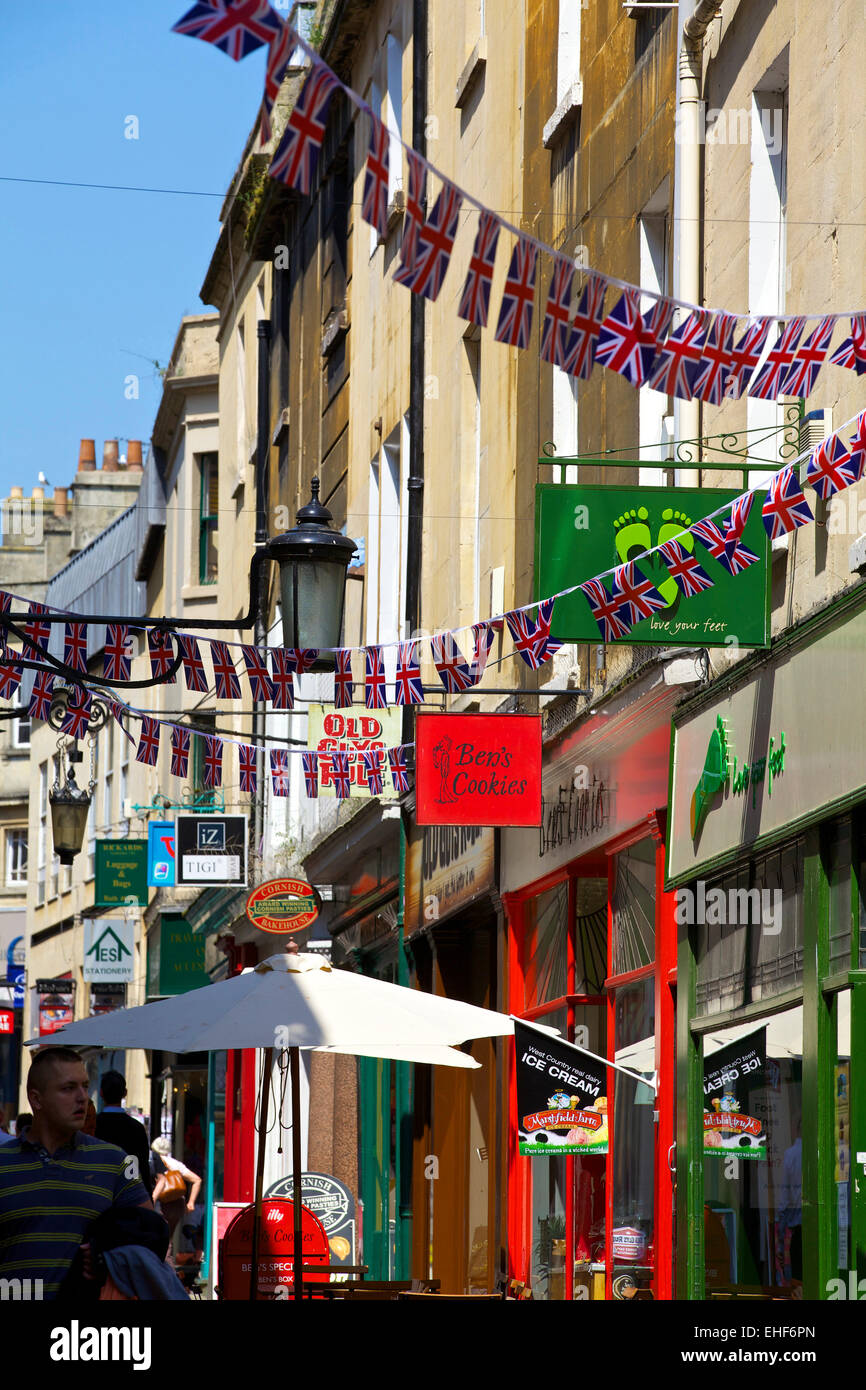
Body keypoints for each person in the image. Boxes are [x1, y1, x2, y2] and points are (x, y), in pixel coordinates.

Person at [0, 1046, 152, 1300]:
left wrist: (109, 1255)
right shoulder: (4, 1163)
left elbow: (151, 1236)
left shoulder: (114, 1161)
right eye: (68, 1088)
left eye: (85, 1085)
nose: (83, 1097)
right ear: (36, 1099)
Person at [95, 1069, 153, 1195]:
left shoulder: (93, 1125)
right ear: (125, 1093)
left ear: (101, 1093)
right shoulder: (136, 1128)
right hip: (128, 1195)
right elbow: (142, 1166)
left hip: (98, 1192)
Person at [151, 1137, 202, 1249]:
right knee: (168, 1239)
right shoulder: (176, 1164)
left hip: (159, 1204)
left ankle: (160, 1262)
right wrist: (191, 1203)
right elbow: (197, 1180)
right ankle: (166, 1260)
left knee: (154, 1237)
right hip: (176, 1204)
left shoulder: (152, 1161)